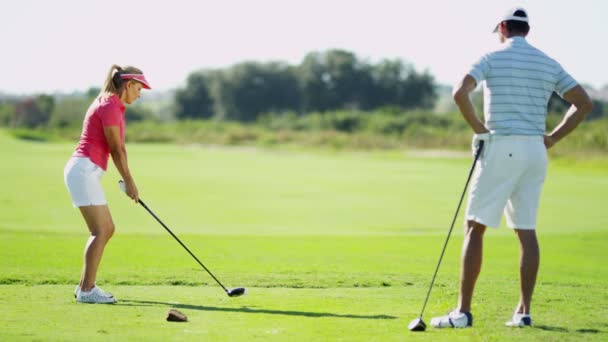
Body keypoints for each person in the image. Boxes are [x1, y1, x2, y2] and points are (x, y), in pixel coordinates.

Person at [430, 7, 593, 328]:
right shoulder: (547, 61)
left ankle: (462, 313)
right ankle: (523, 312)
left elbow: (459, 92)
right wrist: (553, 138)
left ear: (503, 27)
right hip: (535, 151)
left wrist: (479, 129)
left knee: (475, 226)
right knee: (526, 231)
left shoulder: (491, 56)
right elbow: (584, 103)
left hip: (501, 146)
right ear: (527, 30)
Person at [64, 65, 151, 303]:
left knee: (106, 229)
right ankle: (87, 290)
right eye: (139, 88)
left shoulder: (112, 105)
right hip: (84, 171)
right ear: (129, 84)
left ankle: (84, 286)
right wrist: (131, 183)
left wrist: (127, 179)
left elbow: (115, 148)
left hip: (87, 170)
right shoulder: (110, 105)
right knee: (101, 230)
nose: (140, 94)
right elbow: (116, 148)